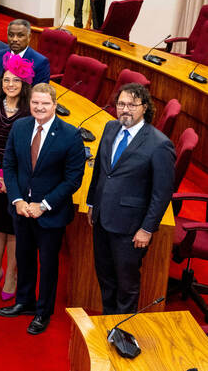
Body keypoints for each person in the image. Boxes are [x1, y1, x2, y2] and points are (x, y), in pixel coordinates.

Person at [0, 83, 85, 335]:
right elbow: (10, 165)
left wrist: (44, 205)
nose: (39, 107)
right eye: (35, 103)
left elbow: (73, 179)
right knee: (23, 258)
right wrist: (17, 200)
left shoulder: (70, 135)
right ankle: (24, 302)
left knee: (47, 265)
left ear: (55, 106)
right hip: (22, 210)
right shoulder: (20, 127)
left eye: (45, 103)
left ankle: (43, 311)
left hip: (51, 214)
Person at [87, 83, 175, 314]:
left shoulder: (160, 144)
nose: (125, 109)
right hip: (102, 218)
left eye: (132, 105)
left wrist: (147, 229)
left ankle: (123, 329)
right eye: (121, 104)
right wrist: (91, 203)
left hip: (130, 227)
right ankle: (108, 322)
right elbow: (100, 169)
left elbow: (162, 193)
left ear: (144, 107)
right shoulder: (109, 127)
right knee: (105, 277)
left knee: (126, 284)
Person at [0, 54, 33, 300]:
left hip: (19, 179)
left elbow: (32, 149)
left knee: (14, 230)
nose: (10, 84)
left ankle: (11, 274)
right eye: (7, 80)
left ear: (24, 84)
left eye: (16, 80)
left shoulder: (30, 109)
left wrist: (13, 180)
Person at [0, 19, 50, 87]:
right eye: (11, 35)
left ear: (29, 37)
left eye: (20, 36)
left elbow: (39, 93)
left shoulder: (40, 62)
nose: (14, 39)